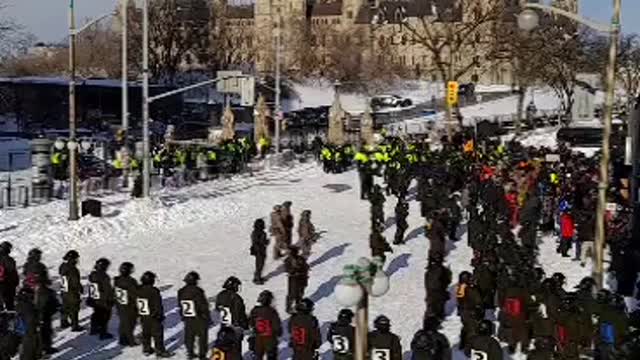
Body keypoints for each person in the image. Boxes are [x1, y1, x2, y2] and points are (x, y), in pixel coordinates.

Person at [137, 271, 173, 357]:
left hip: (143, 315)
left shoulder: (138, 289)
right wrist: (160, 316)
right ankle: (160, 351)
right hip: (153, 317)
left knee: (146, 333)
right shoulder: (154, 291)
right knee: (158, 335)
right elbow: (157, 305)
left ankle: (146, 349)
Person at [178, 271, 210, 360]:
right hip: (199, 318)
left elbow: (180, 305)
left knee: (189, 336)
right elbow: (202, 305)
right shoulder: (198, 291)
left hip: (187, 317)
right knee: (202, 337)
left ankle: (190, 352)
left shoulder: (181, 291)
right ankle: (202, 355)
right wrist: (207, 316)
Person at [215, 276, 248, 355]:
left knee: (223, 349)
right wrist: (245, 325)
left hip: (223, 325)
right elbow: (239, 313)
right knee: (235, 351)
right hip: (234, 328)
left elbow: (217, 308)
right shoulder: (236, 298)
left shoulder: (220, 295)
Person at [249, 290, 282, 360]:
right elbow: (276, 325)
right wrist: (279, 332)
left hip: (258, 337)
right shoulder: (272, 311)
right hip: (270, 338)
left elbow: (251, 323)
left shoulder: (254, 310)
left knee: (258, 356)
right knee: (271, 356)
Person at [87, 258, 114, 339]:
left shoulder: (93, 275)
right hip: (102, 300)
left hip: (94, 298)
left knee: (96, 314)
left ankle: (94, 329)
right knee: (105, 316)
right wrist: (110, 300)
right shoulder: (104, 277)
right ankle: (103, 333)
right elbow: (107, 290)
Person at [114, 262, 139, 347]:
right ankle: (130, 341)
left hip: (120, 305)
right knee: (130, 324)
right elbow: (135, 294)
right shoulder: (131, 281)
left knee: (123, 323)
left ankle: (122, 339)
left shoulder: (117, 280)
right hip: (129, 307)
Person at [34, 269, 59, 356]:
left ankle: (41, 348)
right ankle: (45, 348)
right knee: (46, 332)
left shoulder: (33, 290)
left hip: (35, 315)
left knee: (39, 333)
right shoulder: (48, 292)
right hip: (45, 315)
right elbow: (55, 305)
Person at [58, 250, 83, 331]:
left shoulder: (62, 266)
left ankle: (63, 322)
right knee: (74, 308)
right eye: (75, 259)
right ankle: (75, 325)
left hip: (64, 290)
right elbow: (75, 282)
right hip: (72, 292)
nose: (76, 260)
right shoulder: (73, 269)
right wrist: (80, 288)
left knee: (65, 306)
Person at [424, 254, 452, 320]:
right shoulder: (442, 270)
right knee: (438, 305)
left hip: (432, 291)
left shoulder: (429, 271)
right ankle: (437, 318)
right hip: (438, 291)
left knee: (432, 305)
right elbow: (447, 280)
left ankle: (433, 319)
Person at [284, 246, 310, 313]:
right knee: (291, 294)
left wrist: (303, 271)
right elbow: (287, 269)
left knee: (300, 293)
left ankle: (298, 306)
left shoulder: (301, 259)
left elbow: (306, 267)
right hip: (293, 279)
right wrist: (294, 270)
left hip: (302, 278)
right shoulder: (288, 260)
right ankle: (288, 308)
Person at [16, 286, 39, 360]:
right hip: (29, 333)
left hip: (22, 333)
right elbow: (32, 321)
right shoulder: (30, 307)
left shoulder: (18, 305)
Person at [0, 242, 18, 311]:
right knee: (9, 305)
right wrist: (15, 283)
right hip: (6, 285)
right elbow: (13, 273)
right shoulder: (8, 259)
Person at [251, 219, 269, 285]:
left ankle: (258, 277)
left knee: (260, 265)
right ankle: (257, 279)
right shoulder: (258, 233)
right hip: (259, 251)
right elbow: (256, 242)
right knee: (259, 265)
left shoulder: (258, 232)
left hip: (260, 250)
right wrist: (265, 242)